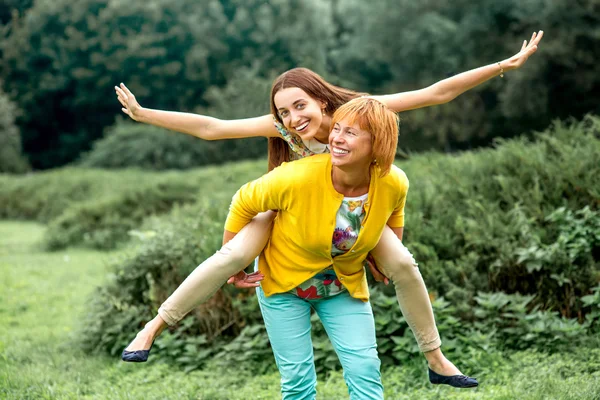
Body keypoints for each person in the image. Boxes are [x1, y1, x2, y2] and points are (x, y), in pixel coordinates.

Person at [118, 31, 543, 386]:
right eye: (283, 111)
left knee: (406, 266)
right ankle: (152, 328)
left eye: (299, 105)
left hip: (353, 212)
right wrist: (144, 114)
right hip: (291, 209)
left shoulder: (356, 114)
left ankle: (435, 359)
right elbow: (212, 128)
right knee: (229, 255)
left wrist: (504, 65)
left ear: (321, 100)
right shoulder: (284, 128)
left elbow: (436, 93)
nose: (292, 118)